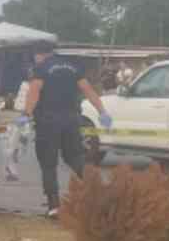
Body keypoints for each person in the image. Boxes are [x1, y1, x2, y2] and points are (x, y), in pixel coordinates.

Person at [20, 40, 113, 219]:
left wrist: (26, 114)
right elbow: (88, 89)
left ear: (39, 54)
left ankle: (54, 205)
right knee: (75, 157)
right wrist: (102, 111)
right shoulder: (72, 66)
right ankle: (98, 190)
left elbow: (34, 92)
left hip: (48, 122)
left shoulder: (41, 68)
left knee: (48, 163)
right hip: (72, 120)